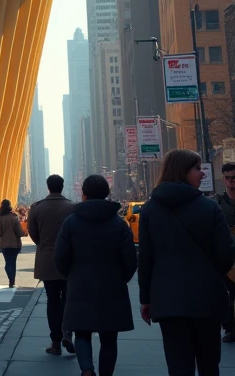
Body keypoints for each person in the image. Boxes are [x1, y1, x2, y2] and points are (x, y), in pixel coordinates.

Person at [138, 148, 234, 375]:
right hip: (207, 298)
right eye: (197, 169)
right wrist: (211, 274)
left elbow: (146, 258)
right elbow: (226, 253)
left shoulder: (150, 209)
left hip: (168, 300)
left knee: (178, 366)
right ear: (183, 171)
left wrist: (146, 299)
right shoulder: (209, 207)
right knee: (209, 364)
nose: (202, 174)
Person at [54, 174, 136, 376]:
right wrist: (120, 277)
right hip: (112, 286)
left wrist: (71, 275)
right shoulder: (119, 224)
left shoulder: (71, 222)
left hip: (80, 285)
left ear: (84, 195)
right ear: (107, 194)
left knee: (82, 333)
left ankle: (87, 369)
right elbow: (130, 260)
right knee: (109, 338)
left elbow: (60, 257)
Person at [28, 173, 75, 357]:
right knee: (69, 300)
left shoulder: (37, 209)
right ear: (62, 187)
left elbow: (34, 235)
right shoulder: (71, 207)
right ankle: (68, 334)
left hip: (47, 261)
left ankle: (55, 343)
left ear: (48, 187)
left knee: (53, 301)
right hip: (69, 261)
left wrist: (46, 246)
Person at [214, 161, 235, 342]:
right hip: (226, 257)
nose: (231, 182)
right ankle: (230, 327)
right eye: (227, 178)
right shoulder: (217, 202)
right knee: (227, 295)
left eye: (234, 178)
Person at [0, 199, 23, 288]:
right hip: (15, 244)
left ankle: (9, 277)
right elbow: (19, 232)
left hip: (4, 244)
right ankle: (12, 280)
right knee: (13, 262)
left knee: (7, 262)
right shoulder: (14, 217)